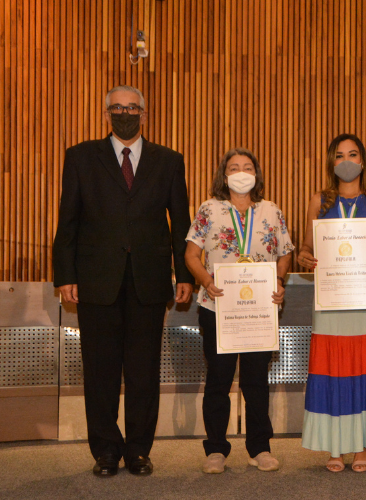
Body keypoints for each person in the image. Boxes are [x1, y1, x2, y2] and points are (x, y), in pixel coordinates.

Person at [52, 85, 193, 476]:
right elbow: (68, 220)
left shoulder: (169, 160)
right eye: (118, 107)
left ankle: (138, 451)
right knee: (100, 369)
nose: (125, 113)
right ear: (106, 113)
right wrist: (64, 274)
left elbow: (181, 222)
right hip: (96, 280)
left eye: (133, 108)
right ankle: (106, 451)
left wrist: (184, 274)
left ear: (144, 115)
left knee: (144, 369)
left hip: (149, 281)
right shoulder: (80, 157)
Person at [185, 148, 294, 474]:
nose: (241, 172)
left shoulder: (271, 211)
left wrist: (278, 279)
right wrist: (206, 280)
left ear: (257, 174)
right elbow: (191, 254)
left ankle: (259, 447)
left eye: (247, 167)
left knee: (256, 381)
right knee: (218, 379)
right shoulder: (209, 209)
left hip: (259, 308)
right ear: (224, 174)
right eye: (234, 167)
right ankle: (216, 449)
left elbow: (285, 252)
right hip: (218, 307)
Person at [298, 134, 366, 472]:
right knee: (333, 368)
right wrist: (306, 257)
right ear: (331, 161)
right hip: (331, 299)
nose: (346, 160)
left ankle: (362, 447)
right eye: (339, 155)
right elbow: (305, 248)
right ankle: (335, 448)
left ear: (363, 161)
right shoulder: (319, 200)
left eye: (352, 154)